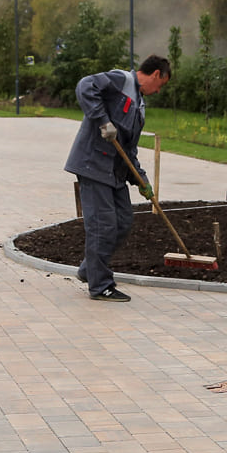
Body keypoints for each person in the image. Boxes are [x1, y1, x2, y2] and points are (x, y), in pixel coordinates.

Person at [64, 55, 171, 301]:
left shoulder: (139, 106)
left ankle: (89, 270)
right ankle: (100, 285)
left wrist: (141, 180)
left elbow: (128, 150)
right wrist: (103, 121)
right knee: (103, 225)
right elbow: (85, 86)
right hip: (93, 164)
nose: (159, 90)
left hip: (114, 172)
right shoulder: (121, 81)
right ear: (156, 74)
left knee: (122, 221)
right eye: (161, 84)